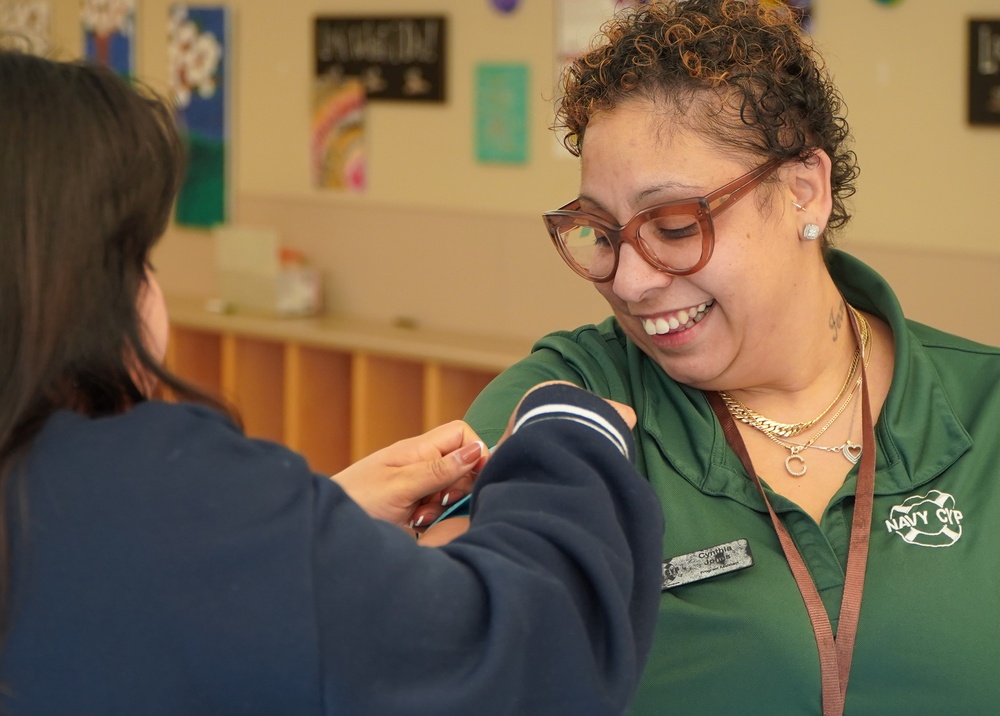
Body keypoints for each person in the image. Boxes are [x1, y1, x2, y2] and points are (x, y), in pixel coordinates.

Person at [0, 50, 666, 715]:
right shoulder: (160, 494)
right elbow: (525, 660)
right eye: (140, 261)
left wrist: (320, 524)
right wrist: (570, 433)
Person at [462, 1, 1000, 714]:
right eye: (600, 232)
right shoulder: (576, 395)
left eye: (677, 226)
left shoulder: (983, 407)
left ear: (805, 189)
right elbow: (452, 622)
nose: (628, 280)